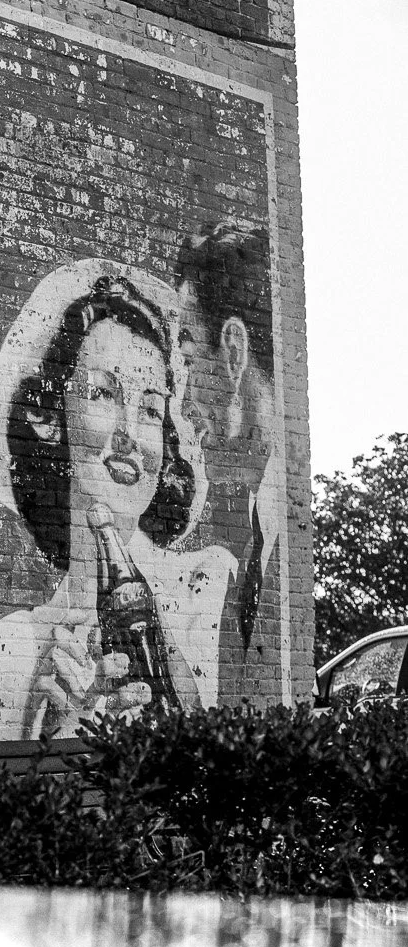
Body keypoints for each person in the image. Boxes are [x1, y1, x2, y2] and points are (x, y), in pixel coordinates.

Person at [0, 264, 228, 741]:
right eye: (104, 394)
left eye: (150, 409)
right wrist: (65, 731)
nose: (130, 433)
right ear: (54, 418)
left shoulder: (208, 589)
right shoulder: (17, 647)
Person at [173, 223, 282, 703]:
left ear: (233, 351)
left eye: (189, 359)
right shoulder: (260, 526)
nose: (181, 402)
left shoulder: (277, 538)